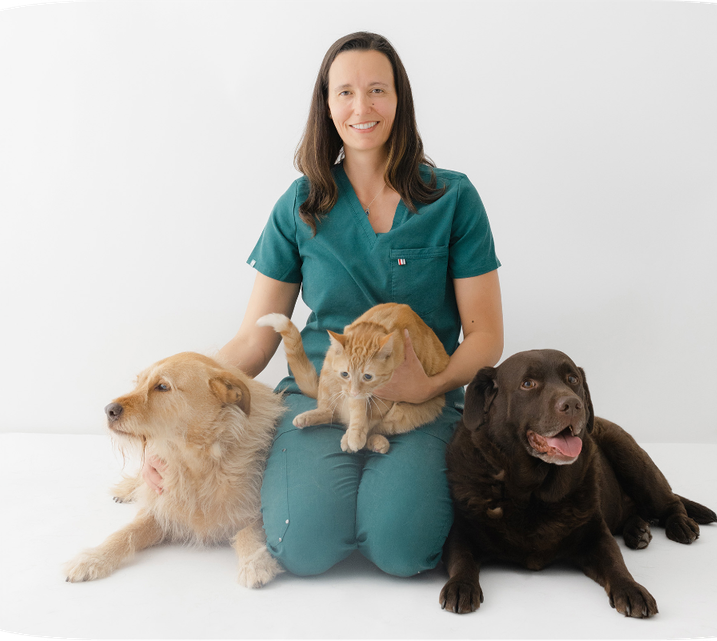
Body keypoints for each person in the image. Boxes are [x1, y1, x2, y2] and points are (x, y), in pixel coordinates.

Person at [143, 31, 503, 578]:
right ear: (326, 105)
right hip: (323, 392)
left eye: (378, 90)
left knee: (404, 550)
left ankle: (387, 504)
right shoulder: (300, 204)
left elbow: (485, 337)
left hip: (417, 406)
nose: (362, 107)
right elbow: (254, 339)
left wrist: (427, 385)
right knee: (301, 548)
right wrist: (166, 422)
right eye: (346, 93)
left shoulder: (453, 199)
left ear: (400, 100)